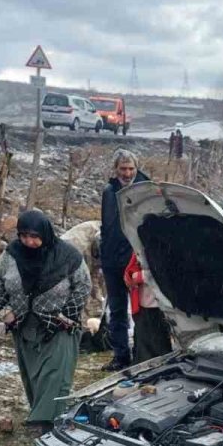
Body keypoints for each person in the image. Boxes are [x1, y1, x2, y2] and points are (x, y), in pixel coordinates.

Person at [0, 210, 90, 433]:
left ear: (45, 233)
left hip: (60, 325)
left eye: (35, 236)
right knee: (34, 374)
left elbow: (83, 286)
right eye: (24, 236)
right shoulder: (12, 254)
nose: (30, 242)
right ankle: (41, 413)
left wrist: (67, 315)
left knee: (55, 373)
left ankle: (45, 421)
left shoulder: (68, 256)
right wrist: (5, 311)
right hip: (24, 324)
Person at [99, 149, 149, 371]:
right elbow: (106, 226)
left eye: (131, 169)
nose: (127, 173)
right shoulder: (109, 192)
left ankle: (143, 354)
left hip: (138, 260)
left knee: (143, 309)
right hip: (112, 259)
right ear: (116, 169)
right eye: (123, 169)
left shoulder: (146, 191)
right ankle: (121, 356)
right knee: (117, 310)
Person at [123, 252, 174, 363]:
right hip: (144, 303)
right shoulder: (139, 246)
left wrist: (140, 276)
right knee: (144, 341)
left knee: (159, 344)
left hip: (159, 303)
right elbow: (131, 269)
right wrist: (133, 275)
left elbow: (167, 268)